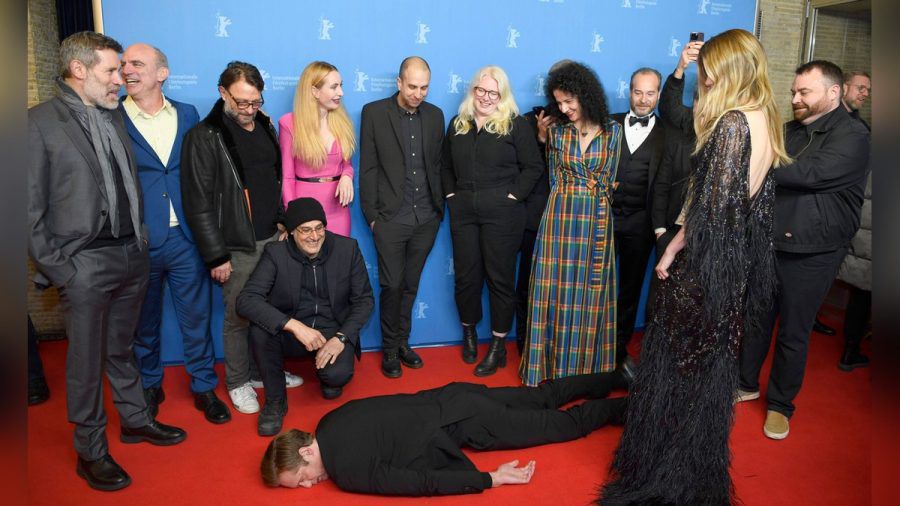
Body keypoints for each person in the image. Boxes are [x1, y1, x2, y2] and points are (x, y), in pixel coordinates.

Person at [601, 28, 791, 504]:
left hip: (702, 271)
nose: (703, 77)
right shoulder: (766, 115)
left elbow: (713, 208)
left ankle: (666, 477)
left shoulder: (731, 123)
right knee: (703, 376)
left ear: (724, 69)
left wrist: (669, 250)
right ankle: (690, 471)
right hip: (732, 272)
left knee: (674, 371)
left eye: (708, 68)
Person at [28, 31, 186, 491]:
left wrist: (140, 243)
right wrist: (61, 269)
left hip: (131, 255)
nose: (123, 78)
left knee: (122, 350)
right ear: (79, 70)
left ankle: (136, 420)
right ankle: (91, 451)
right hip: (83, 265)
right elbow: (25, 209)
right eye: (113, 70)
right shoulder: (37, 123)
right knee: (84, 362)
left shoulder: (113, 116)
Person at [737, 60, 869, 440]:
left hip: (815, 251)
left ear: (833, 93)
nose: (794, 98)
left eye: (803, 92)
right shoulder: (791, 131)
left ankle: (780, 405)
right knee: (757, 319)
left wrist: (757, 160)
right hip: (771, 243)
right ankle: (745, 383)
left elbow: (807, 173)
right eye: (794, 91)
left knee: (794, 332)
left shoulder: (853, 135)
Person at [260, 371, 631, 496]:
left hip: (471, 424)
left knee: (567, 425)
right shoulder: (328, 421)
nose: (310, 485)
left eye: (303, 479)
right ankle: (619, 377)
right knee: (543, 396)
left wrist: (488, 479)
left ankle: (632, 409)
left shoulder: (347, 472)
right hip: (455, 394)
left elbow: (420, 482)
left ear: (306, 454)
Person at [182, 61, 302, 416]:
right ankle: (237, 381)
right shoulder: (205, 136)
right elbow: (198, 202)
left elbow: (276, 180)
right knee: (238, 316)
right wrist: (216, 256)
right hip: (235, 245)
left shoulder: (265, 125)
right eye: (242, 102)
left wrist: (282, 222)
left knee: (268, 313)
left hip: (272, 238)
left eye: (256, 102)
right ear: (223, 93)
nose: (250, 110)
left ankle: (262, 372)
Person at [118, 43, 229, 424]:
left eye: (137, 64)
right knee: (142, 323)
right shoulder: (112, 118)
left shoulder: (188, 114)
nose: (127, 70)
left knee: (196, 320)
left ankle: (203, 387)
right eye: (123, 65)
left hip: (185, 237)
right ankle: (150, 384)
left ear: (162, 73)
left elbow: (202, 175)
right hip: (139, 240)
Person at [519, 62, 622, 386]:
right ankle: (545, 370)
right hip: (559, 218)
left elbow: (609, 180)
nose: (564, 108)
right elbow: (553, 176)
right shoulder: (557, 132)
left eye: (569, 102)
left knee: (588, 296)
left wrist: (594, 202)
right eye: (559, 102)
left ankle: (583, 373)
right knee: (553, 292)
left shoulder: (613, 131)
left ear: (585, 94)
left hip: (596, 220)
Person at [237, 198, 374, 436]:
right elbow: (246, 300)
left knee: (336, 378)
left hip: (331, 330)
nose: (315, 236)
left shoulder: (347, 249)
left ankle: (326, 373)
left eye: (319, 228)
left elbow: (364, 300)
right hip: (293, 332)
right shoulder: (276, 253)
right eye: (306, 230)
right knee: (260, 329)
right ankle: (275, 402)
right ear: (291, 233)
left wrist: (340, 338)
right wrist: (294, 326)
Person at [442, 65, 544, 376]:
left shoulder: (515, 124)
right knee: (466, 277)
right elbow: (444, 165)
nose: (486, 97)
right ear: (472, 91)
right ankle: (469, 332)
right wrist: (451, 196)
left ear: (502, 95)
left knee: (499, 278)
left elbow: (533, 167)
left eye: (493, 92)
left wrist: (511, 196)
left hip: (503, 214)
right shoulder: (457, 124)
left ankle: (498, 344)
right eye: (481, 90)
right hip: (464, 212)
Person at [359, 57, 445, 378]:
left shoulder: (436, 116)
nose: (418, 93)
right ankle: (389, 349)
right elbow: (367, 169)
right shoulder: (374, 113)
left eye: (424, 87)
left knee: (410, 285)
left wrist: (439, 209)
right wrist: (372, 217)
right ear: (398, 83)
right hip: (390, 218)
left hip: (426, 217)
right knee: (392, 285)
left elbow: (438, 165)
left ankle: (403, 343)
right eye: (412, 86)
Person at [609, 67, 666, 367]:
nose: (643, 100)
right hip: (602, 219)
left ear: (658, 94)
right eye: (638, 92)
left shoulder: (668, 134)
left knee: (629, 289)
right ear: (629, 91)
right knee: (596, 285)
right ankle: (588, 346)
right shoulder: (609, 124)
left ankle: (618, 350)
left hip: (641, 223)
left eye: (650, 93)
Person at [515, 60, 572, 355]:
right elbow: (524, 169)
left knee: (563, 289)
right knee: (527, 285)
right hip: (534, 219)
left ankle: (558, 345)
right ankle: (525, 345)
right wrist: (540, 140)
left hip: (568, 220)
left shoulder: (583, 123)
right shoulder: (531, 119)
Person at [279, 61, 356, 236]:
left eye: (341, 86)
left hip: (339, 211)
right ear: (314, 91)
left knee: (339, 260)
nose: (341, 93)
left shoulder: (342, 122)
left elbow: (347, 165)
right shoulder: (289, 124)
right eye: (334, 87)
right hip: (305, 213)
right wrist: (293, 216)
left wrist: (346, 176)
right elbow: (288, 177)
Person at [836, 69, 872, 371]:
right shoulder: (829, 124)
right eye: (860, 88)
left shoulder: (863, 129)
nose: (864, 94)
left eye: (867, 91)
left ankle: (851, 346)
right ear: (842, 88)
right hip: (850, 222)